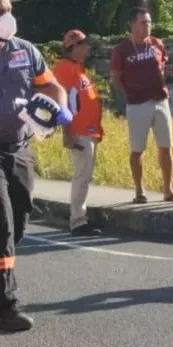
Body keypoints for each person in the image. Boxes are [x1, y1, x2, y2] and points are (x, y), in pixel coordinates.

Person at [0, 0, 70, 331]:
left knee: (20, 217)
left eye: (6, 11)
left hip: (20, 149)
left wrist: (61, 108)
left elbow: (52, 86)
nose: (6, 17)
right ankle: (6, 305)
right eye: (0, 12)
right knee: (3, 228)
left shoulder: (25, 51)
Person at [110, 6, 173, 204]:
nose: (148, 26)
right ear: (132, 24)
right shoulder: (122, 49)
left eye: (149, 22)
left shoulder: (157, 44)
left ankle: (168, 190)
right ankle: (139, 190)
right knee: (137, 149)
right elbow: (116, 78)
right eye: (143, 22)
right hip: (137, 104)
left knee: (166, 146)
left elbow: (163, 67)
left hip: (160, 101)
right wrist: (128, 94)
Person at [53, 29, 104, 236]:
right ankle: (78, 221)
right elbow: (61, 103)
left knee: (85, 175)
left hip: (88, 131)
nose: (88, 48)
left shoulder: (78, 69)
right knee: (82, 176)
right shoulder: (65, 68)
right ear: (73, 46)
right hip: (78, 131)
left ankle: (79, 218)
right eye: (84, 44)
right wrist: (67, 132)